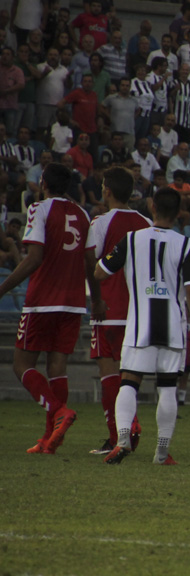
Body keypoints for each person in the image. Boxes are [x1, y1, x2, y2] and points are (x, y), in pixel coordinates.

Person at [97, 187, 190, 465]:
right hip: (173, 325)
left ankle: (122, 440)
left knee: (129, 383)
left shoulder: (131, 240)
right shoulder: (186, 244)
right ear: (179, 213)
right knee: (167, 387)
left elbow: (99, 272)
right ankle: (161, 452)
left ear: (152, 207)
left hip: (139, 323)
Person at [0, 162, 98, 454]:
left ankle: (58, 411)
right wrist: (98, 298)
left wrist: (3, 287)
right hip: (73, 302)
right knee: (58, 367)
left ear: (43, 183)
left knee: (22, 365)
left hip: (43, 300)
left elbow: (34, 257)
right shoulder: (82, 214)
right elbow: (90, 263)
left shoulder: (39, 209)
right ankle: (49, 440)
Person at [85, 166, 153, 454]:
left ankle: (118, 436)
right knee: (130, 375)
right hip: (138, 313)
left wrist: (97, 300)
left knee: (109, 374)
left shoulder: (100, 222)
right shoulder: (146, 223)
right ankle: (129, 428)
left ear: (107, 191)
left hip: (108, 309)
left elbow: (91, 266)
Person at [35, 47, 67, 133]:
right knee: (41, 129)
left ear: (59, 57)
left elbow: (68, 86)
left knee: (55, 131)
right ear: (47, 56)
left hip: (57, 105)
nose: (53, 57)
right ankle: (40, 146)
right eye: (50, 55)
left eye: (55, 55)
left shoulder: (64, 69)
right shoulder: (40, 67)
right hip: (43, 103)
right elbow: (35, 83)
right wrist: (43, 74)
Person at [102, 78, 139, 149]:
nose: (125, 87)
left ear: (130, 87)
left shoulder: (134, 100)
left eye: (127, 86)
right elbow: (102, 106)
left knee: (129, 155)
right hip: (115, 132)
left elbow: (138, 110)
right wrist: (109, 116)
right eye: (123, 85)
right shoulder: (112, 98)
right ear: (119, 86)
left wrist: (132, 117)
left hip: (129, 133)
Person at [0, 48, 25, 134]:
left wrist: (7, 91)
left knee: (10, 131)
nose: (5, 56)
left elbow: (21, 84)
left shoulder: (17, 70)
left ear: (12, 57)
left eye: (7, 54)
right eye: (3, 54)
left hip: (10, 105)